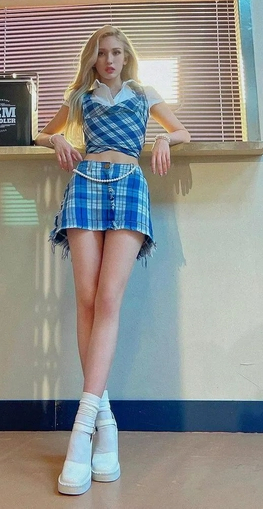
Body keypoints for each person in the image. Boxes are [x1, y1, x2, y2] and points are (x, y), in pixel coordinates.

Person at [35, 25, 190, 495]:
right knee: (86, 299)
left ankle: (81, 431)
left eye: (116, 52)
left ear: (126, 57)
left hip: (128, 186)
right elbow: (42, 133)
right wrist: (58, 141)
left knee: (108, 300)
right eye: (102, 52)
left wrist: (162, 140)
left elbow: (181, 130)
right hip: (84, 185)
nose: (109, 59)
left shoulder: (144, 93)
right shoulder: (79, 96)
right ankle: (105, 425)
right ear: (93, 58)